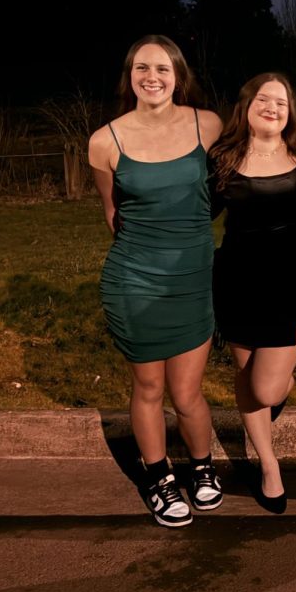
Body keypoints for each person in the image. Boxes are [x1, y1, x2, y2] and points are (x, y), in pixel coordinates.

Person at [87, 35, 224, 528]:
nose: (152, 76)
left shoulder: (207, 125)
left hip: (193, 278)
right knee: (148, 386)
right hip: (136, 280)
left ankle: (203, 467)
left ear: (178, 75)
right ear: (130, 76)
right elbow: (112, 214)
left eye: (162, 68)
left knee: (187, 391)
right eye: (142, 67)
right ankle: (158, 476)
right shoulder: (106, 141)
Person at [209, 73, 296, 515]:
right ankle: (268, 464)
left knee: (267, 387)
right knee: (248, 380)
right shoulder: (222, 157)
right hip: (238, 278)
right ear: (246, 105)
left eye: (281, 101)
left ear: (290, 111)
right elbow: (198, 210)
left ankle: (280, 390)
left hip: (291, 280)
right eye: (263, 99)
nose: (272, 107)